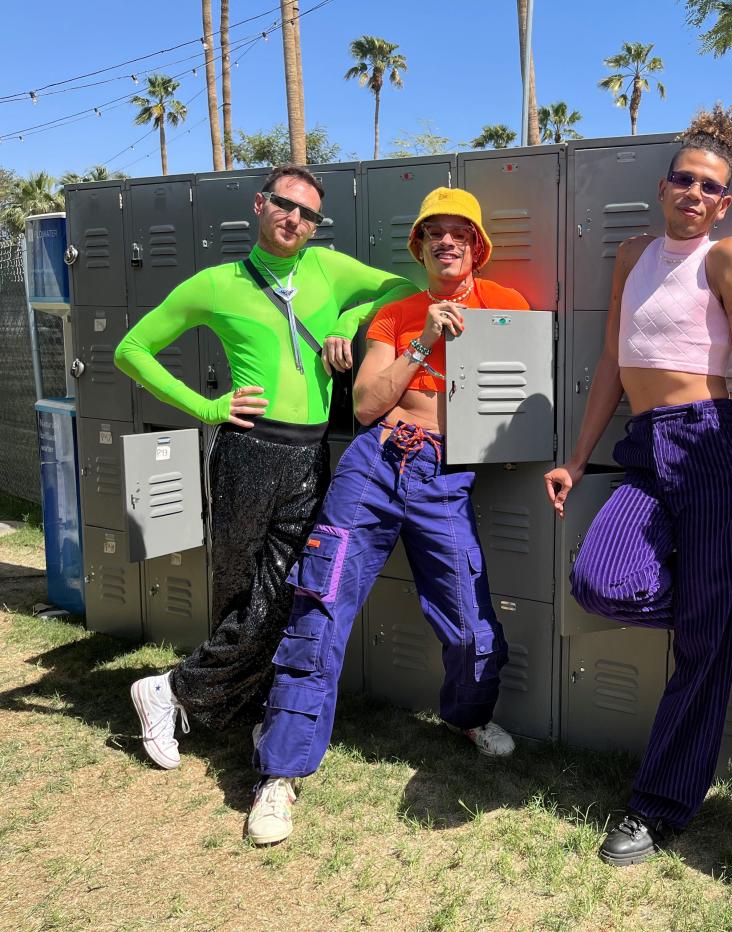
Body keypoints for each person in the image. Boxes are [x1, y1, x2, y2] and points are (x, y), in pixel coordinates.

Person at [544, 106, 732, 867]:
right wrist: (576, 460)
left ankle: (657, 806)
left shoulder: (729, 257)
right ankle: (720, 609)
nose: (695, 193)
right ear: (664, 184)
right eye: (684, 178)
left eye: (711, 186)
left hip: (711, 446)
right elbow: (611, 361)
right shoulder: (633, 254)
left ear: (724, 202)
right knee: (599, 581)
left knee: (703, 647)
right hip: (645, 449)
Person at [246, 187, 530, 845]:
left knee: (469, 620)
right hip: (375, 467)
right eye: (435, 232)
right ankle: (280, 772)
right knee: (319, 608)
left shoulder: (507, 307)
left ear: (477, 245)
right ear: (420, 247)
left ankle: (467, 714)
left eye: (460, 231)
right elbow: (370, 405)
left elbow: (520, 394)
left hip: (445, 477)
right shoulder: (399, 315)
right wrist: (425, 337)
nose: (447, 241)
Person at [117, 164, 410, 770]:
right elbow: (131, 350)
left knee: (283, 596)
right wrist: (207, 407)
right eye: (285, 205)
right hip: (249, 451)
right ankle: (197, 700)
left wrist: (348, 326)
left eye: (308, 215)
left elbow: (403, 287)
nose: (295, 220)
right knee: (239, 592)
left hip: (311, 453)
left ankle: (175, 692)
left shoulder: (329, 270)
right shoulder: (218, 283)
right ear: (260, 204)